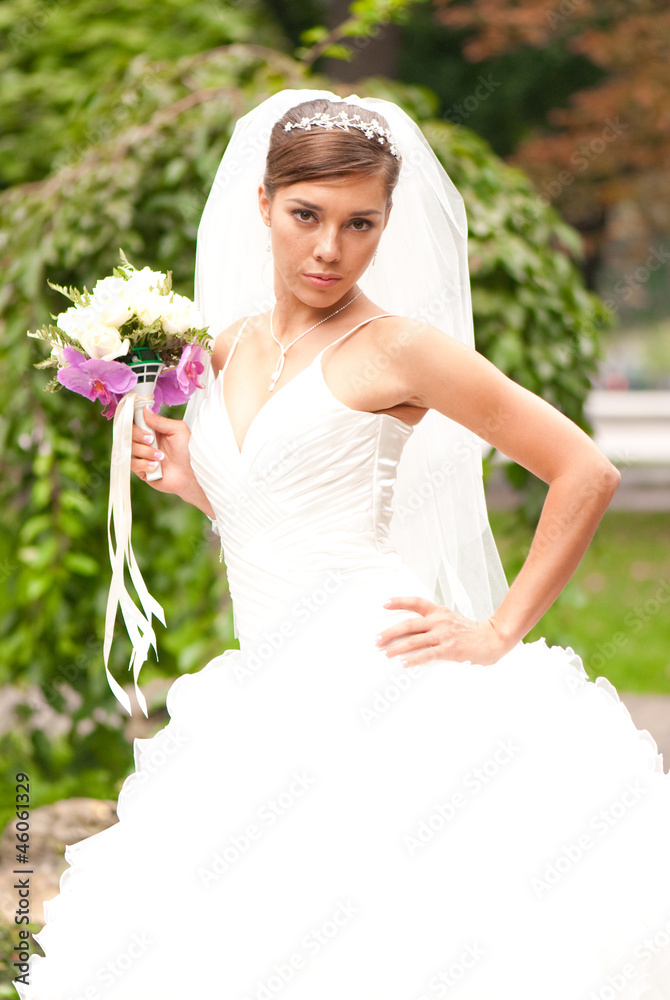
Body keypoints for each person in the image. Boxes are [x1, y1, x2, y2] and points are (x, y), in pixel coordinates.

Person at [16, 90, 670, 1000]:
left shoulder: (399, 348)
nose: (330, 248)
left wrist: (498, 631)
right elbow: (272, 514)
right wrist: (194, 477)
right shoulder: (225, 346)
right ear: (262, 205)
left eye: (360, 223)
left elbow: (585, 471)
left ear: (386, 224)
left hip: (380, 680)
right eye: (307, 216)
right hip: (260, 690)